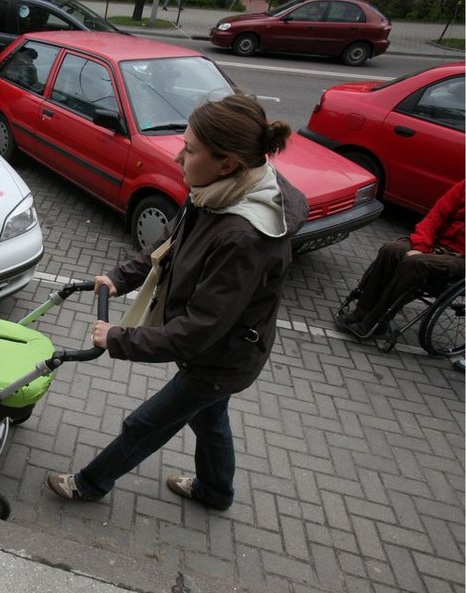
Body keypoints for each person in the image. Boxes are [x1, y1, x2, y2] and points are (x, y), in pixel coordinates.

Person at [45, 93, 308, 510]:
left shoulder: (243, 236)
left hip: (219, 358)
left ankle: (90, 484)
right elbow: (171, 243)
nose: (178, 157)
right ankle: (215, 492)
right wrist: (120, 277)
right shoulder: (218, 191)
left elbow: (199, 329)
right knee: (211, 420)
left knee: (146, 424)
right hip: (222, 351)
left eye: (190, 149)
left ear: (227, 163)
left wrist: (117, 338)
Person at [336, 179, 465, 338]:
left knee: (415, 264)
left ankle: (376, 321)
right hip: (437, 243)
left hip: (461, 259)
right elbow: (436, 216)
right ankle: (361, 311)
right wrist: (421, 246)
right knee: (391, 250)